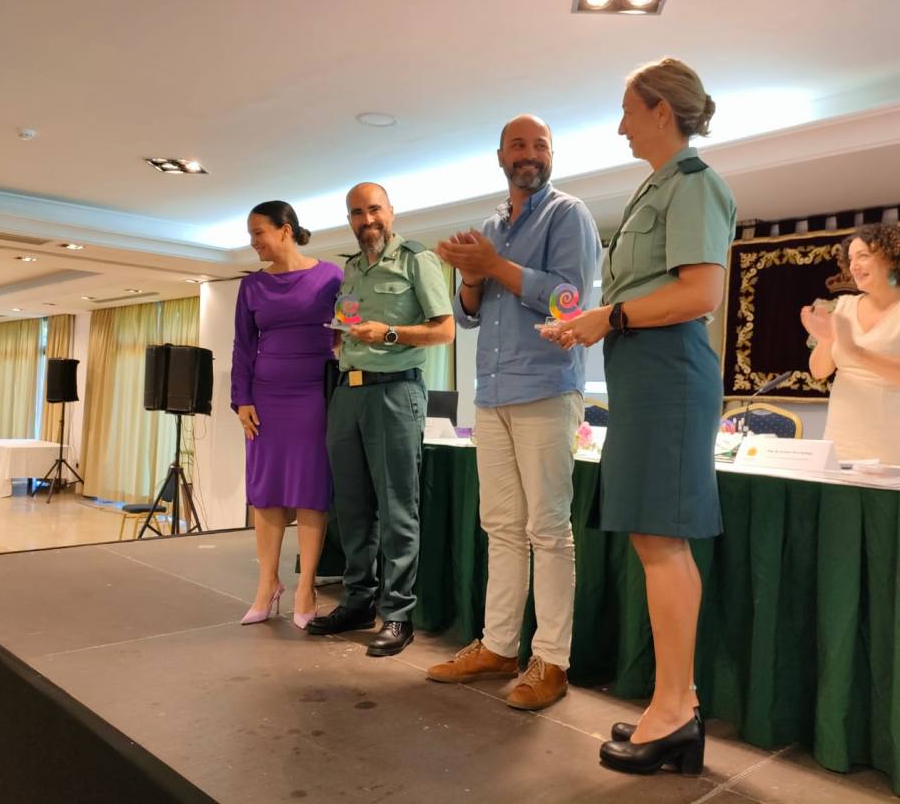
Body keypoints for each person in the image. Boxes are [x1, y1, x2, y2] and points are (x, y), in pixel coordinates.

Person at [542, 57, 735, 775]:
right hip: (647, 374)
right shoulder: (658, 186)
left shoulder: (695, 183)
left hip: (670, 373)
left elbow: (701, 293)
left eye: (629, 110)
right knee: (654, 540)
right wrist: (594, 321)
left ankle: (675, 708)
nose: (621, 125)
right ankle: (675, 704)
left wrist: (609, 316)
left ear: (661, 110)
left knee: (663, 542)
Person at [427, 114, 601, 710]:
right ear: (500, 156)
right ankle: (500, 646)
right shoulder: (489, 227)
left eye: (540, 145)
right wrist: (470, 276)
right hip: (493, 393)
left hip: (547, 390)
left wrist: (493, 265)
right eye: (518, 145)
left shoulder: (569, 215)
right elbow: (469, 314)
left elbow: (569, 299)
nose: (530, 153)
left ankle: (552, 661)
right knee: (501, 527)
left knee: (547, 530)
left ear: (552, 155)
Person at [307, 182, 454, 656]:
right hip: (347, 393)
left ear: (391, 211)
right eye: (357, 213)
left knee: (396, 508)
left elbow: (445, 330)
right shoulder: (351, 269)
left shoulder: (417, 259)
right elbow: (350, 328)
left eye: (374, 210)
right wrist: (341, 338)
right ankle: (358, 601)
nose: (366, 220)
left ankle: (397, 614)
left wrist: (388, 333)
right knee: (351, 508)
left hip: (395, 392)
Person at [232, 200, 343, 628]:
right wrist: (242, 399)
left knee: (310, 488)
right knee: (267, 491)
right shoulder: (252, 286)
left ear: (285, 229)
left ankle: (305, 587)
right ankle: (267, 584)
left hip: (314, 393)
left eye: (258, 232)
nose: (253, 242)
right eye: (251, 235)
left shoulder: (331, 276)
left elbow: (345, 329)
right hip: (265, 397)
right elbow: (243, 345)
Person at [799, 223, 900, 464]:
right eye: (850, 259)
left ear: (893, 257)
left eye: (863, 256)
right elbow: (819, 372)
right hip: (845, 436)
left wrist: (854, 351)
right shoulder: (843, 305)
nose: (853, 266)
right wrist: (825, 340)